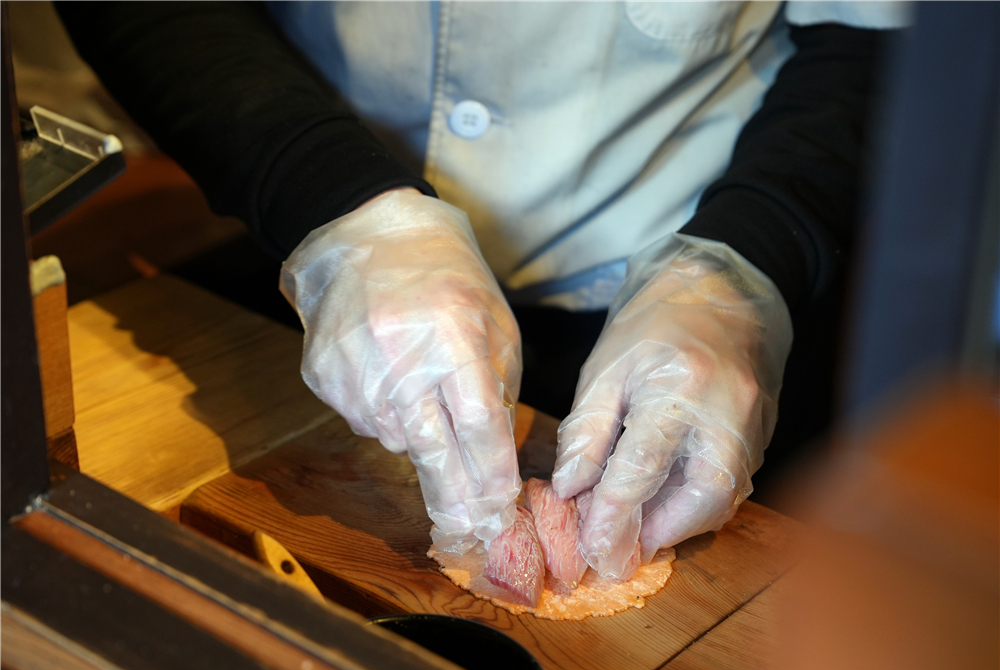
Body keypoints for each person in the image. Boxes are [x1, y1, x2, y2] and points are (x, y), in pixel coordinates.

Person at [57, 1, 908, 580]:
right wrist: (330, 201)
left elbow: (887, 40)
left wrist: (747, 259)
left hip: (690, 287)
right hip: (315, 269)